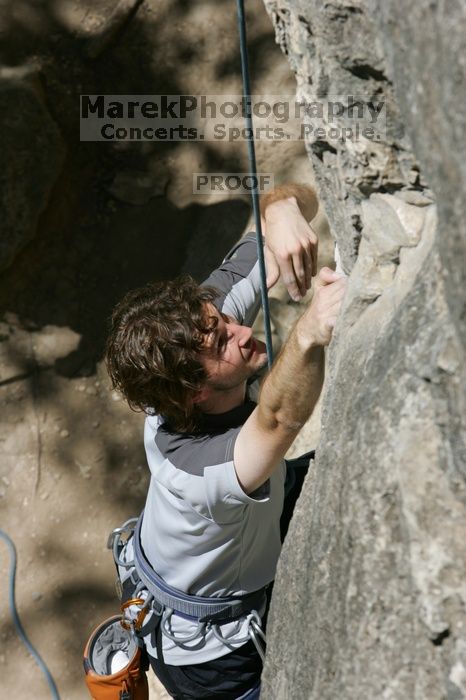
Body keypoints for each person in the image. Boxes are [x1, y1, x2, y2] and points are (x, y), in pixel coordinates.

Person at [105, 184, 347, 699]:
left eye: (222, 320)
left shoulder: (200, 326)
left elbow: (288, 204)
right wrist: (309, 331)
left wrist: (279, 211)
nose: (240, 331)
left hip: (197, 562)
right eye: (221, 343)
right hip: (214, 659)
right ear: (192, 392)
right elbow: (277, 419)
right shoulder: (197, 471)